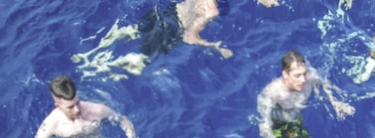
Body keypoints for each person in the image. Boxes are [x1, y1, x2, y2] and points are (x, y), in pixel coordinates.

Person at [71, 0, 277, 77]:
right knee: (138, 62)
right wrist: (215, 46)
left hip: (167, 11)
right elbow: (189, 37)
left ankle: (91, 52)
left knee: (134, 30)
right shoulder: (211, 10)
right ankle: (97, 71)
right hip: (172, 30)